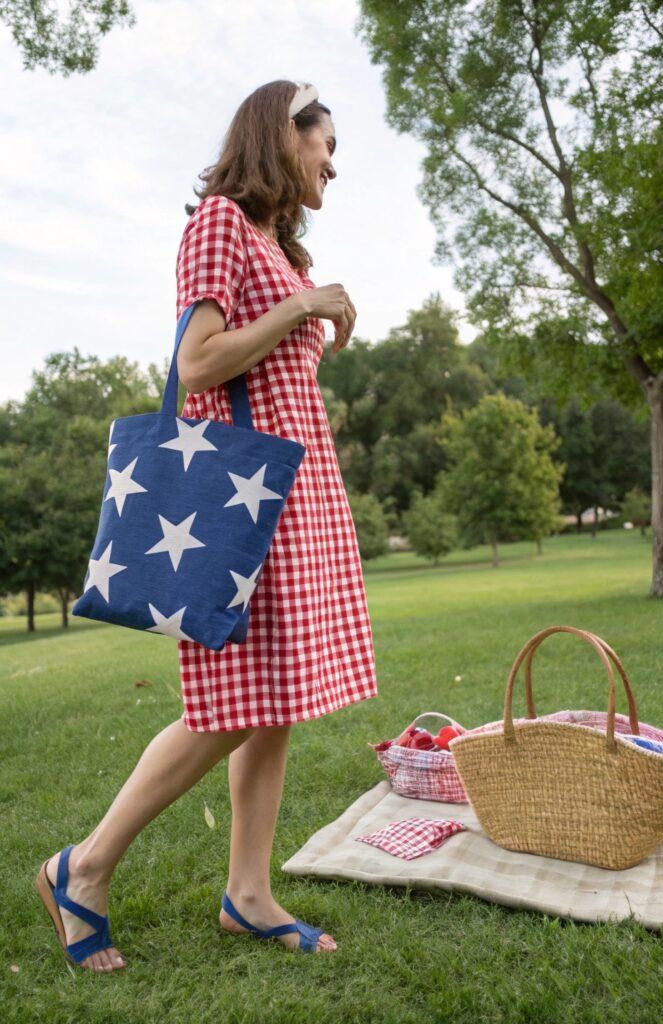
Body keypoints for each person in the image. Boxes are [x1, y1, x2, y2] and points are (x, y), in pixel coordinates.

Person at [35, 80, 379, 969]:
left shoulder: (278, 246)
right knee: (229, 704)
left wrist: (303, 307)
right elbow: (195, 366)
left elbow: (267, 373)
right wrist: (302, 307)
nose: (332, 165)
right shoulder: (220, 222)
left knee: (277, 704)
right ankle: (83, 866)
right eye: (324, 144)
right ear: (281, 133)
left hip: (293, 494)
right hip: (236, 506)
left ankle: (248, 892)